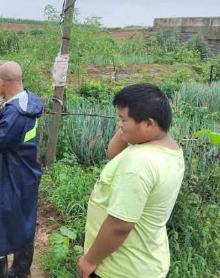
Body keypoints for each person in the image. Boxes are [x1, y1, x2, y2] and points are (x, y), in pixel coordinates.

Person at [78, 83, 185, 278]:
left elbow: (120, 225)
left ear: (149, 124)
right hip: (144, 261)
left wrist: (89, 260)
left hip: (121, 268)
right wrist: (130, 124)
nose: (119, 125)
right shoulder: (167, 147)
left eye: (123, 120)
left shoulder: (139, 163)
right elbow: (113, 152)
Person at [0, 61, 44, 278]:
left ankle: (1, 274)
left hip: (9, 176)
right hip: (26, 174)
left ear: (0, 82)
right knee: (23, 220)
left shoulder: (15, 113)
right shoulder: (30, 101)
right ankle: (21, 271)